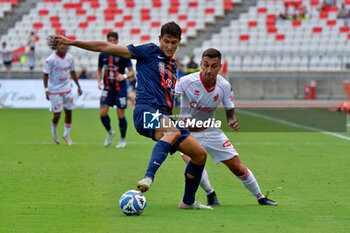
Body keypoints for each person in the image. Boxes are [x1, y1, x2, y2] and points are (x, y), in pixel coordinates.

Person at [53, 21, 212, 210]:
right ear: (159, 38)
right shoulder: (148, 51)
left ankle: (188, 202)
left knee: (200, 155)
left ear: (179, 42)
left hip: (163, 117)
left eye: (174, 43)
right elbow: (106, 47)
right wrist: (71, 43)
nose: (169, 47)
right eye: (166, 41)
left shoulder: (172, 66)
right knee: (172, 131)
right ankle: (148, 176)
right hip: (144, 111)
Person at [175, 48, 278, 206]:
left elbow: (230, 110)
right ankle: (211, 194)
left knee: (238, 168)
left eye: (213, 66)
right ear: (201, 64)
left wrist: (232, 120)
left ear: (220, 67)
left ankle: (260, 197)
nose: (209, 70)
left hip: (211, 130)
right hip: (187, 134)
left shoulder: (224, 85)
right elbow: (167, 99)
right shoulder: (186, 82)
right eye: (206, 65)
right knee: (194, 166)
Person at [97, 31, 135, 148]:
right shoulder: (103, 54)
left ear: (117, 41)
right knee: (102, 113)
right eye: (110, 40)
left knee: (120, 115)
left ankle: (122, 139)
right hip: (107, 88)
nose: (112, 42)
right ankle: (110, 132)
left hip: (120, 90)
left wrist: (123, 76)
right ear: (107, 41)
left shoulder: (123, 54)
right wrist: (99, 81)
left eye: (114, 40)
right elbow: (99, 70)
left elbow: (132, 72)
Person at [43, 37, 82, 146]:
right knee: (57, 115)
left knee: (69, 112)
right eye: (59, 44)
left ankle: (66, 134)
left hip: (67, 88)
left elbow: (73, 72)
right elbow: (45, 75)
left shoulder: (70, 58)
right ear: (56, 46)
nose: (62, 46)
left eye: (63, 43)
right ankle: (54, 131)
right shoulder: (50, 60)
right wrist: (46, 89)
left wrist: (78, 86)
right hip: (55, 90)